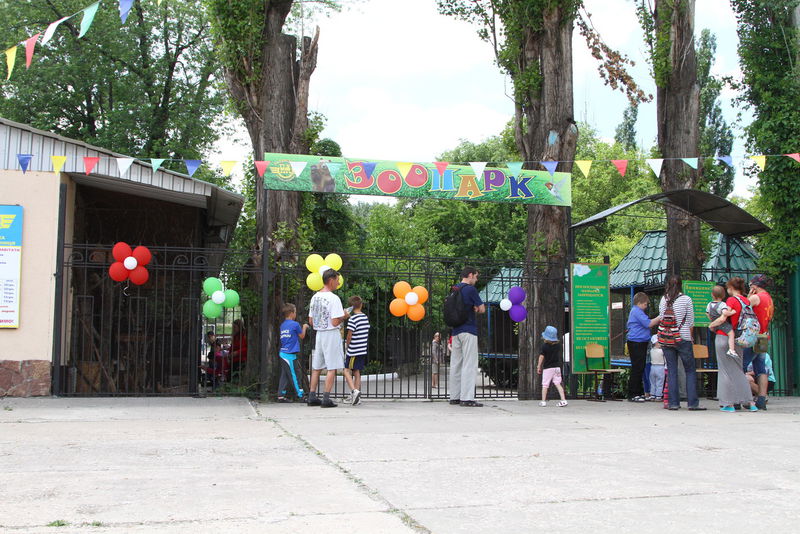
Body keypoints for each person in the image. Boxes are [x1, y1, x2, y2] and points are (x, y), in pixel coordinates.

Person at [707, 279, 757, 412]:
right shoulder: (746, 301)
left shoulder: (731, 301)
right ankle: (750, 402)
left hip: (724, 336)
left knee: (725, 371)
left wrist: (712, 325)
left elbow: (723, 318)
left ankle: (728, 404)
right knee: (738, 370)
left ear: (730, 287)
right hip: (738, 338)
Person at [659, 275, 705, 411]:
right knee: (690, 370)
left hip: (667, 339)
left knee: (672, 371)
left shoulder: (664, 299)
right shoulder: (686, 299)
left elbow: (662, 317)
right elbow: (690, 321)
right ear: (680, 285)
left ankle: (673, 403)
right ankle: (692, 403)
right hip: (683, 337)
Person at [308, 269, 350, 408]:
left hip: (319, 333)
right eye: (337, 280)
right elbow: (335, 322)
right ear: (331, 280)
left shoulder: (315, 297)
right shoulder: (334, 298)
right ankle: (326, 398)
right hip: (331, 334)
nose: (338, 283)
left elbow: (311, 321)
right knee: (332, 367)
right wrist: (344, 315)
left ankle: (312, 396)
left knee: (317, 367)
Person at [448, 267, 486, 408]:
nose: (476, 280)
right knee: (469, 364)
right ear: (470, 275)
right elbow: (481, 308)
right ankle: (467, 398)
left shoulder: (454, 289)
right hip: (469, 330)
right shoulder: (470, 289)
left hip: (456, 331)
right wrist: (476, 308)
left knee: (456, 364)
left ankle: (455, 396)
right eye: (475, 277)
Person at [626, 292, 661, 402]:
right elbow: (648, 324)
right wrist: (660, 317)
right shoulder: (636, 311)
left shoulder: (638, 311)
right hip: (636, 342)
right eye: (645, 304)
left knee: (640, 367)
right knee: (637, 367)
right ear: (639, 303)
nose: (646, 307)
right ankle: (633, 394)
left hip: (640, 341)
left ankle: (638, 392)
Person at [747, 274, 774, 410]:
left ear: (755, 286)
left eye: (751, 285)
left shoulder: (756, 297)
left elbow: (743, 309)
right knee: (761, 368)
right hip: (763, 336)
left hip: (752, 336)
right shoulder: (769, 298)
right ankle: (762, 399)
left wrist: (748, 296)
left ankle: (744, 399)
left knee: (741, 366)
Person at [278, 303, 309, 402]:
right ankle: (301, 395)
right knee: (294, 375)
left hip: (283, 353)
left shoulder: (283, 325)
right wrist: (304, 327)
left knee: (285, 375)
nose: (295, 314)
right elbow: (302, 336)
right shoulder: (295, 324)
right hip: (289, 355)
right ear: (291, 313)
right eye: (295, 312)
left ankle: (281, 395)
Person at [343, 296, 369, 406]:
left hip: (353, 350)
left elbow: (349, 335)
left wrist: (347, 345)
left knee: (346, 370)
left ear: (351, 307)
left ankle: (354, 391)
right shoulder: (365, 317)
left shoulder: (353, 319)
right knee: (357, 372)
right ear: (361, 305)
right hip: (362, 349)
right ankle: (356, 396)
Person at [536, 326, 568, 407]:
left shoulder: (545, 346)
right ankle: (563, 400)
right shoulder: (558, 346)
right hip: (557, 368)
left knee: (545, 385)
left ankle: (543, 401)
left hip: (548, 368)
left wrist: (538, 366)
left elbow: (541, 357)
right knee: (558, 383)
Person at [706, 285, 738, 358]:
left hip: (714, 323)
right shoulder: (722, 304)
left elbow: (707, 313)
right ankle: (731, 349)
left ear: (712, 295)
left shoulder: (709, 304)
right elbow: (725, 313)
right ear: (723, 295)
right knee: (731, 333)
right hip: (722, 323)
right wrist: (733, 312)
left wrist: (712, 321)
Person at [648, 335, 665, 401]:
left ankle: (652, 395)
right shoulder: (662, 351)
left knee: (652, 382)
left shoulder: (651, 350)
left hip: (652, 367)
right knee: (660, 382)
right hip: (660, 367)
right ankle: (658, 396)